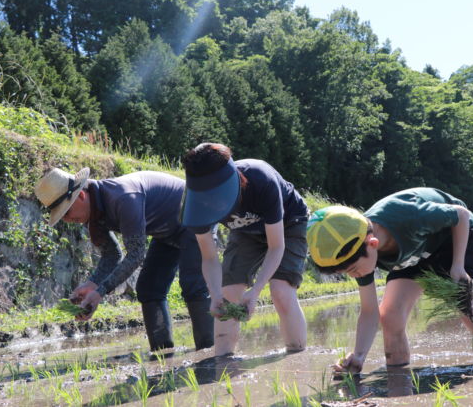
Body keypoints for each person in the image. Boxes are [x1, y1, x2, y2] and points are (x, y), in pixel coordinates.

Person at [306, 188, 473, 373]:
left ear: (372, 243)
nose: (353, 275)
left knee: (472, 313)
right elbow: (370, 311)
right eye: (346, 273)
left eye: (352, 269)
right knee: (390, 317)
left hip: (452, 240)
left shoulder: (408, 217)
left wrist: (458, 266)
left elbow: (460, 215)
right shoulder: (359, 254)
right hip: (413, 256)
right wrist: (359, 356)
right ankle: (398, 377)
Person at [34, 167, 214, 351]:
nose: (67, 220)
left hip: (196, 216)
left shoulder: (124, 198)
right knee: (149, 288)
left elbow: (135, 255)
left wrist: (101, 292)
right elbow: (112, 255)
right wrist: (92, 283)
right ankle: (162, 355)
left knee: (193, 285)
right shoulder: (95, 212)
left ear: (80, 196)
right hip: (167, 232)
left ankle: (210, 354)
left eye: (66, 212)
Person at [180, 143, 308, 356]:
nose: (213, 204)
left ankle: (296, 357)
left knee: (281, 291)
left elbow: (276, 246)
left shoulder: (261, 179)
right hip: (245, 230)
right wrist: (215, 295)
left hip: (288, 223)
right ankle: (222, 362)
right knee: (228, 296)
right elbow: (209, 258)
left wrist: (256, 290)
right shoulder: (194, 205)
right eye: (207, 199)